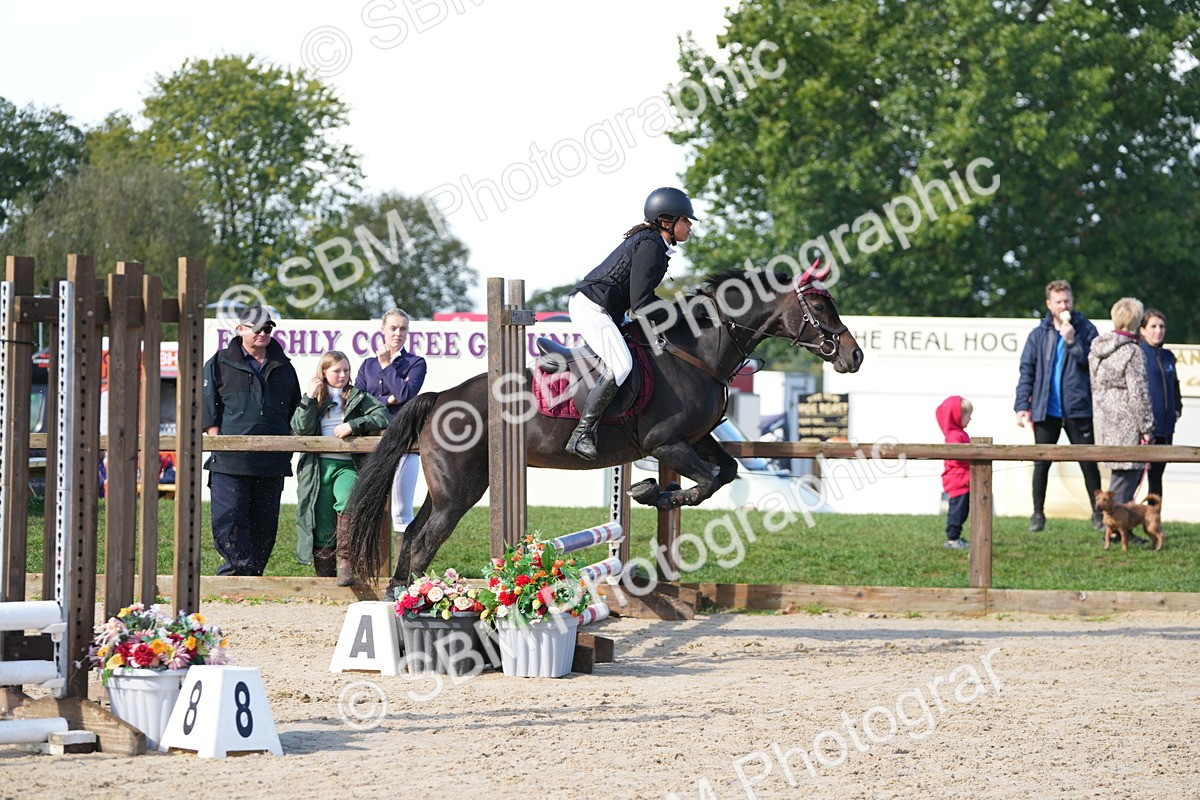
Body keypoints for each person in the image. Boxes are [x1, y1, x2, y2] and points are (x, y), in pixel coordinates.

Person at [564, 186, 697, 460]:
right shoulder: (650, 245)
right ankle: (582, 434)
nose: (690, 226)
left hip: (611, 310)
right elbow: (642, 305)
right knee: (622, 364)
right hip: (593, 307)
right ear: (666, 221)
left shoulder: (656, 245)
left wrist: (676, 311)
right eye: (686, 220)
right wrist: (679, 313)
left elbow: (643, 300)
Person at [202, 306, 302, 576]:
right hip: (230, 461)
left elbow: (293, 407)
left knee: (265, 524)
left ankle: (254, 578)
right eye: (255, 327)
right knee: (229, 520)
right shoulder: (218, 363)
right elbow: (206, 407)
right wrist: (218, 444)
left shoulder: (285, 367)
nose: (262, 332)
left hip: (271, 461)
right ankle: (234, 577)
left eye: (267, 328)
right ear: (240, 329)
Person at [1014, 279, 1104, 532]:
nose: (1064, 305)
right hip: (1046, 410)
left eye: (1067, 300)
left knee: (1088, 463)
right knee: (1041, 463)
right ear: (1049, 304)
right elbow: (1026, 372)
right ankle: (1038, 515)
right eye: (1059, 301)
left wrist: (1073, 341)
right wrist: (1022, 405)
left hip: (1078, 409)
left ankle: (1097, 514)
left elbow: (1094, 366)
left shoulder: (1086, 329)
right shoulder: (1038, 334)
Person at [293, 350, 389, 585]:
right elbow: (301, 428)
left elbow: (383, 416)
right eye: (336, 371)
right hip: (318, 466)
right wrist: (308, 397)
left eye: (346, 370)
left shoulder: (358, 396)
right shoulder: (315, 396)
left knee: (348, 500)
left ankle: (345, 561)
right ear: (324, 372)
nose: (342, 375)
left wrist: (354, 424)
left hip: (347, 464)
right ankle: (325, 577)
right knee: (322, 519)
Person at [354, 309, 427, 535]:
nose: (398, 333)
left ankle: (404, 568)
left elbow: (405, 395)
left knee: (401, 512)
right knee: (368, 508)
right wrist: (388, 399)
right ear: (383, 330)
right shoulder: (367, 365)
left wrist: (386, 366)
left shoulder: (416, 363)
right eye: (393, 328)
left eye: (403, 328)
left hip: (402, 441)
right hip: (370, 440)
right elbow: (358, 401)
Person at [1090, 297, 1155, 510]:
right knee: (1125, 478)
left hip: (1104, 419)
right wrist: (1147, 428)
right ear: (1136, 320)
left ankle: (1119, 528)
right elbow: (1138, 393)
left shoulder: (1097, 349)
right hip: (1127, 422)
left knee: (1119, 475)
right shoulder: (1133, 351)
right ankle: (1115, 527)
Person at [1139, 308, 1182, 498]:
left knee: (1156, 479)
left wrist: (1177, 409)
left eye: (1162, 326)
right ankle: (1123, 524)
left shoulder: (1168, 356)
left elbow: (1175, 386)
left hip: (1166, 428)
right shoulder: (1138, 354)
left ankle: (1153, 524)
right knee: (1135, 479)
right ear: (1142, 329)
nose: (1158, 330)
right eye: (1153, 326)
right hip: (1146, 430)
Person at [936, 395, 973, 550]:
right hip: (958, 481)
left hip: (963, 479)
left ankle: (956, 537)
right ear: (957, 416)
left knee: (963, 510)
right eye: (968, 415)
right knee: (957, 511)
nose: (970, 419)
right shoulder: (955, 436)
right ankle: (952, 539)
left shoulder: (959, 433)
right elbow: (957, 457)